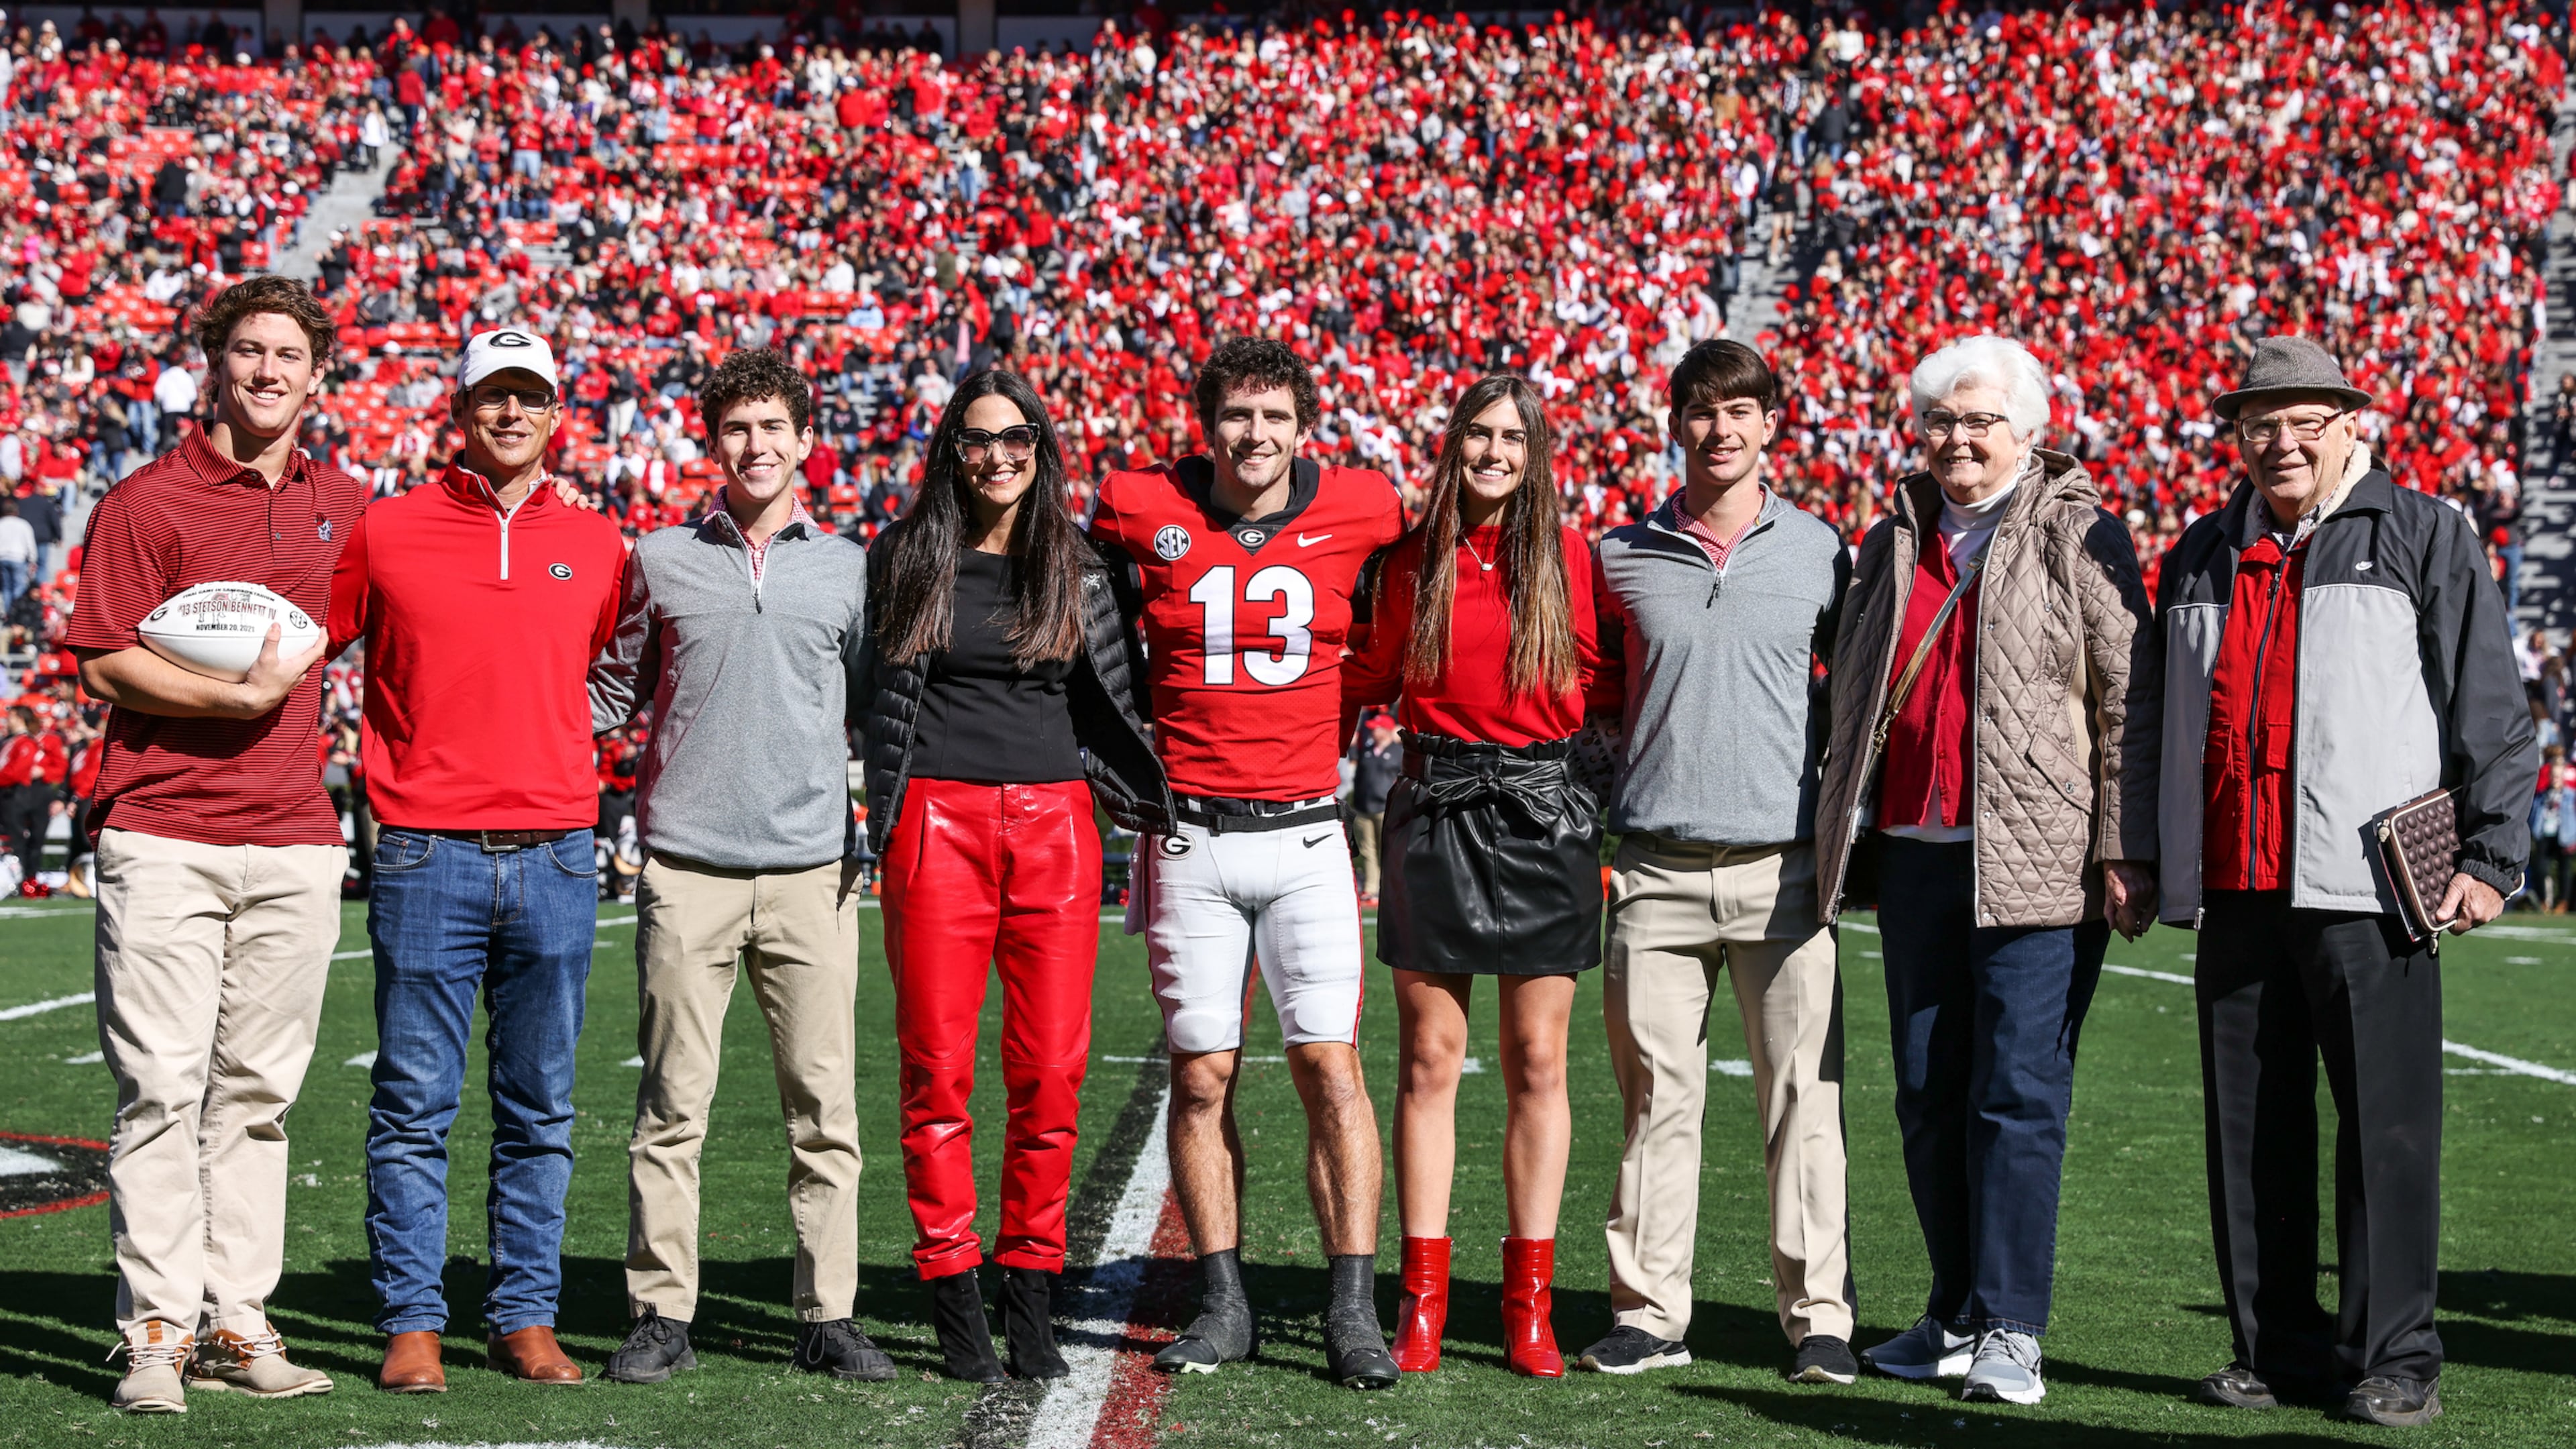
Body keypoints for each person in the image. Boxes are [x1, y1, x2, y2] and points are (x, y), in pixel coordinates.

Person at [2154, 335, 2532, 1429]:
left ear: (2347, 426)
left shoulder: (2423, 533)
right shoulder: (2201, 551)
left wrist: (2495, 860)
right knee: (2248, 1135)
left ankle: (2395, 1354)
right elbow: (2153, 721)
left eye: (2303, 421)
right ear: (2236, 437)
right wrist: (2144, 852)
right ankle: (2274, 1349)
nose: (2280, 442)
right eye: (2260, 424)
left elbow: (2491, 706)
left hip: (2369, 887)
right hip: (2238, 883)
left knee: (2388, 1131)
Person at [1812, 334, 2161, 1407]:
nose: (1958, 441)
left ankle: (2013, 1327)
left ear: (2028, 432)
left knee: (2017, 1095)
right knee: (1926, 1092)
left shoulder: (2083, 532)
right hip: (1918, 855)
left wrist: (2123, 845)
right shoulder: (1892, 539)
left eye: (1981, 422)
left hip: (2040, 863)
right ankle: (1954, 1310)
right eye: (1942, 422)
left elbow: (2126, 699)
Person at [1085, 337, 1405, 1388]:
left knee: (1330, 1068)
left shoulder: (1365, 505)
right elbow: (1086, 606)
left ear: (1303, 423)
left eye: (1273, 416)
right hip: (1191, 837)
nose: (1254, 436)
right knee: (1203, 1073)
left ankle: (1353, 1305)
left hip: (1311, 831)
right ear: (1206, 423)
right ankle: (1224, 1303)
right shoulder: (1138, 503)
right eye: (1236, 416)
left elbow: (1408, 602)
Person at [65, 276, 359, 1412]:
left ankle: (239, 1323)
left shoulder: (348, 504)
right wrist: (230, 700)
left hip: (293, 839)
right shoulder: (148, 499)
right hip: (164, 830)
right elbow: (99, 658)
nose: (269, 370)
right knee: (159, 1091)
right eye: (248, 352)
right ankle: (153, 1334)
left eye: (290, 354)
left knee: (255, 1098)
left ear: (318, 376)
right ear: (214, 364)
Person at [327, 329, 629, 1393]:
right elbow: (304, 646)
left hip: (554, 852)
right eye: (491, 395)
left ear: (559, 413)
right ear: (461, 410)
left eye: (530, 396)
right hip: (424, 853)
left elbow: (620, 667)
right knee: (414, 1102)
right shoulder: (388, 530)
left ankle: (524, 1317)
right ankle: (413, 1321)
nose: (510, 413)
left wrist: (554, 736)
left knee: (540, 1105)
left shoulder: (598, 541)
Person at [587, 348, 893, 1386]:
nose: (755, 448)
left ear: (807, 439)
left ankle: (828, 1312)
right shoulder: (659, 555)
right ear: (711, 442)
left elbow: (872, 705)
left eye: (773, 428)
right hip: (688, 868)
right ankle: (661, 1312)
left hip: (813, 870)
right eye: (735, 430)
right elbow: (611, 692)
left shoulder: (849, 565)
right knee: (673, 1108)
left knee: (826, 1109)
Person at [861, 368, 1170, 1381]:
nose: (998, 457)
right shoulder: (907, 555)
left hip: (1057, 826)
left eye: (1018, 440)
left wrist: (1150, 792)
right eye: (978, 440)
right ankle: (954, 1299)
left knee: (1049, 1076)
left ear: (1042, 450)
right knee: (937, 1074)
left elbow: (1117, 695)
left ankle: (1030, 1288)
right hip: (936, 823)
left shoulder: (1079, 563)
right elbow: (870, 697)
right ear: (952, 451)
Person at [1583, 339, 1857, 1384]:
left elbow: (1858, 698)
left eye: (1741, 410)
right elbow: (1597, 697)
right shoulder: (1622, 555)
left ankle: (1818, 1315)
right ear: (1675, 425)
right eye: (1701, 411)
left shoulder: (1823, 552)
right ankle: (1650, 1310)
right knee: (1657, 1100)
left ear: (1772, 425)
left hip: (1784, 871)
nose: (1722, 428)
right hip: (1652, 867)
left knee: (1804, 1100)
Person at [1342, 374, 1605, 1378]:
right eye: (1477, 435)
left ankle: (1528, 1309)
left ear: (1536, 454)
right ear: (1453, 447)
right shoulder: (1409, 562)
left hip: (1545, 820)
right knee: (1428, 1060)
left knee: (1539, 1059)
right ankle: (1422, 1303)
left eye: (1511, 438)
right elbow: (1364, 674)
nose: (1493, 452)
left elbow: (1609, 681)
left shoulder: (1573, 559)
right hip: (1435, 810)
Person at [1348, 711, 1399, 905]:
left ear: (1385, 730)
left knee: (1387, 850)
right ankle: (1371, 889)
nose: (1372, 732)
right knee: (1367, 851)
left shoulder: (1397, 752)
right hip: (1364, 807)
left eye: (1376, 729)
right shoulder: (1366, 749)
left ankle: (1391, 888)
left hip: (1385, 808)